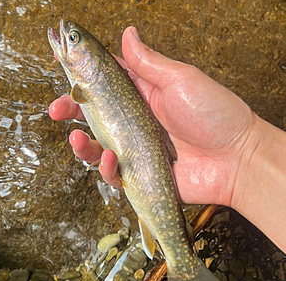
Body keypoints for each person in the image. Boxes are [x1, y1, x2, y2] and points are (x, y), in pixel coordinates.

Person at [49, 26, 286, 255]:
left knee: (109, 163)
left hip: (154, 160)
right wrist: (245, 152)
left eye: (73, 38)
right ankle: (177, 257)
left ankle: (178, 262)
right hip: (156, 159)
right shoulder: (88, 84)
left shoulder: (84, 89)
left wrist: (244, 149)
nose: (68, 40)